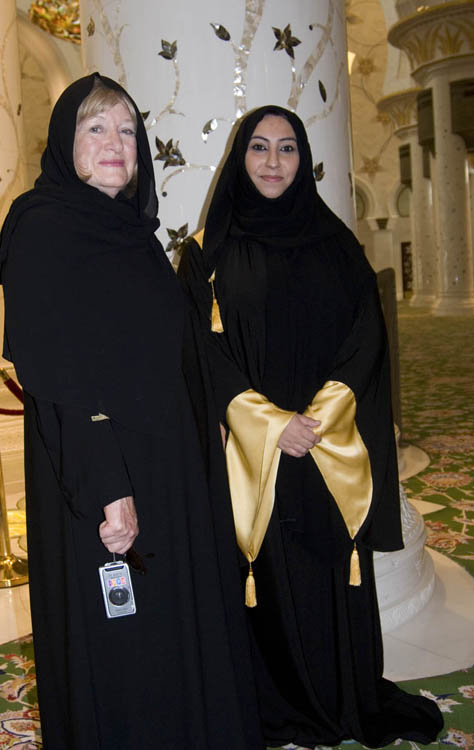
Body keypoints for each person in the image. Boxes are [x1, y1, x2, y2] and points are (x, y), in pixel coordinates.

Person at [0, 73, 264, 750]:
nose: (115, 143)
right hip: (102, 478)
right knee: (123, 645)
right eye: (95, 128)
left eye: (127, 130)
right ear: (65, 140)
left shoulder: (135, 235)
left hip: (166, 466)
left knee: (170, 627)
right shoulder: (43, 228)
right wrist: (110, 490)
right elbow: (60, 376)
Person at [178, 105, 444, 749]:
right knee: (263, 581)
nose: (273, 161)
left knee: (330, 574)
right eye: (260, 148)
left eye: (288, 148)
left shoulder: (337, 244)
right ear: (239, 158)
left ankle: (340, 695)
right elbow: (197, 350)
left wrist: (316, 421)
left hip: (326, 444)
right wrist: (270, 424)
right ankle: (274, 704)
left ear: (304, 160)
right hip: (257, 452)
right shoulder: (204, 252)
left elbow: (366, 338)